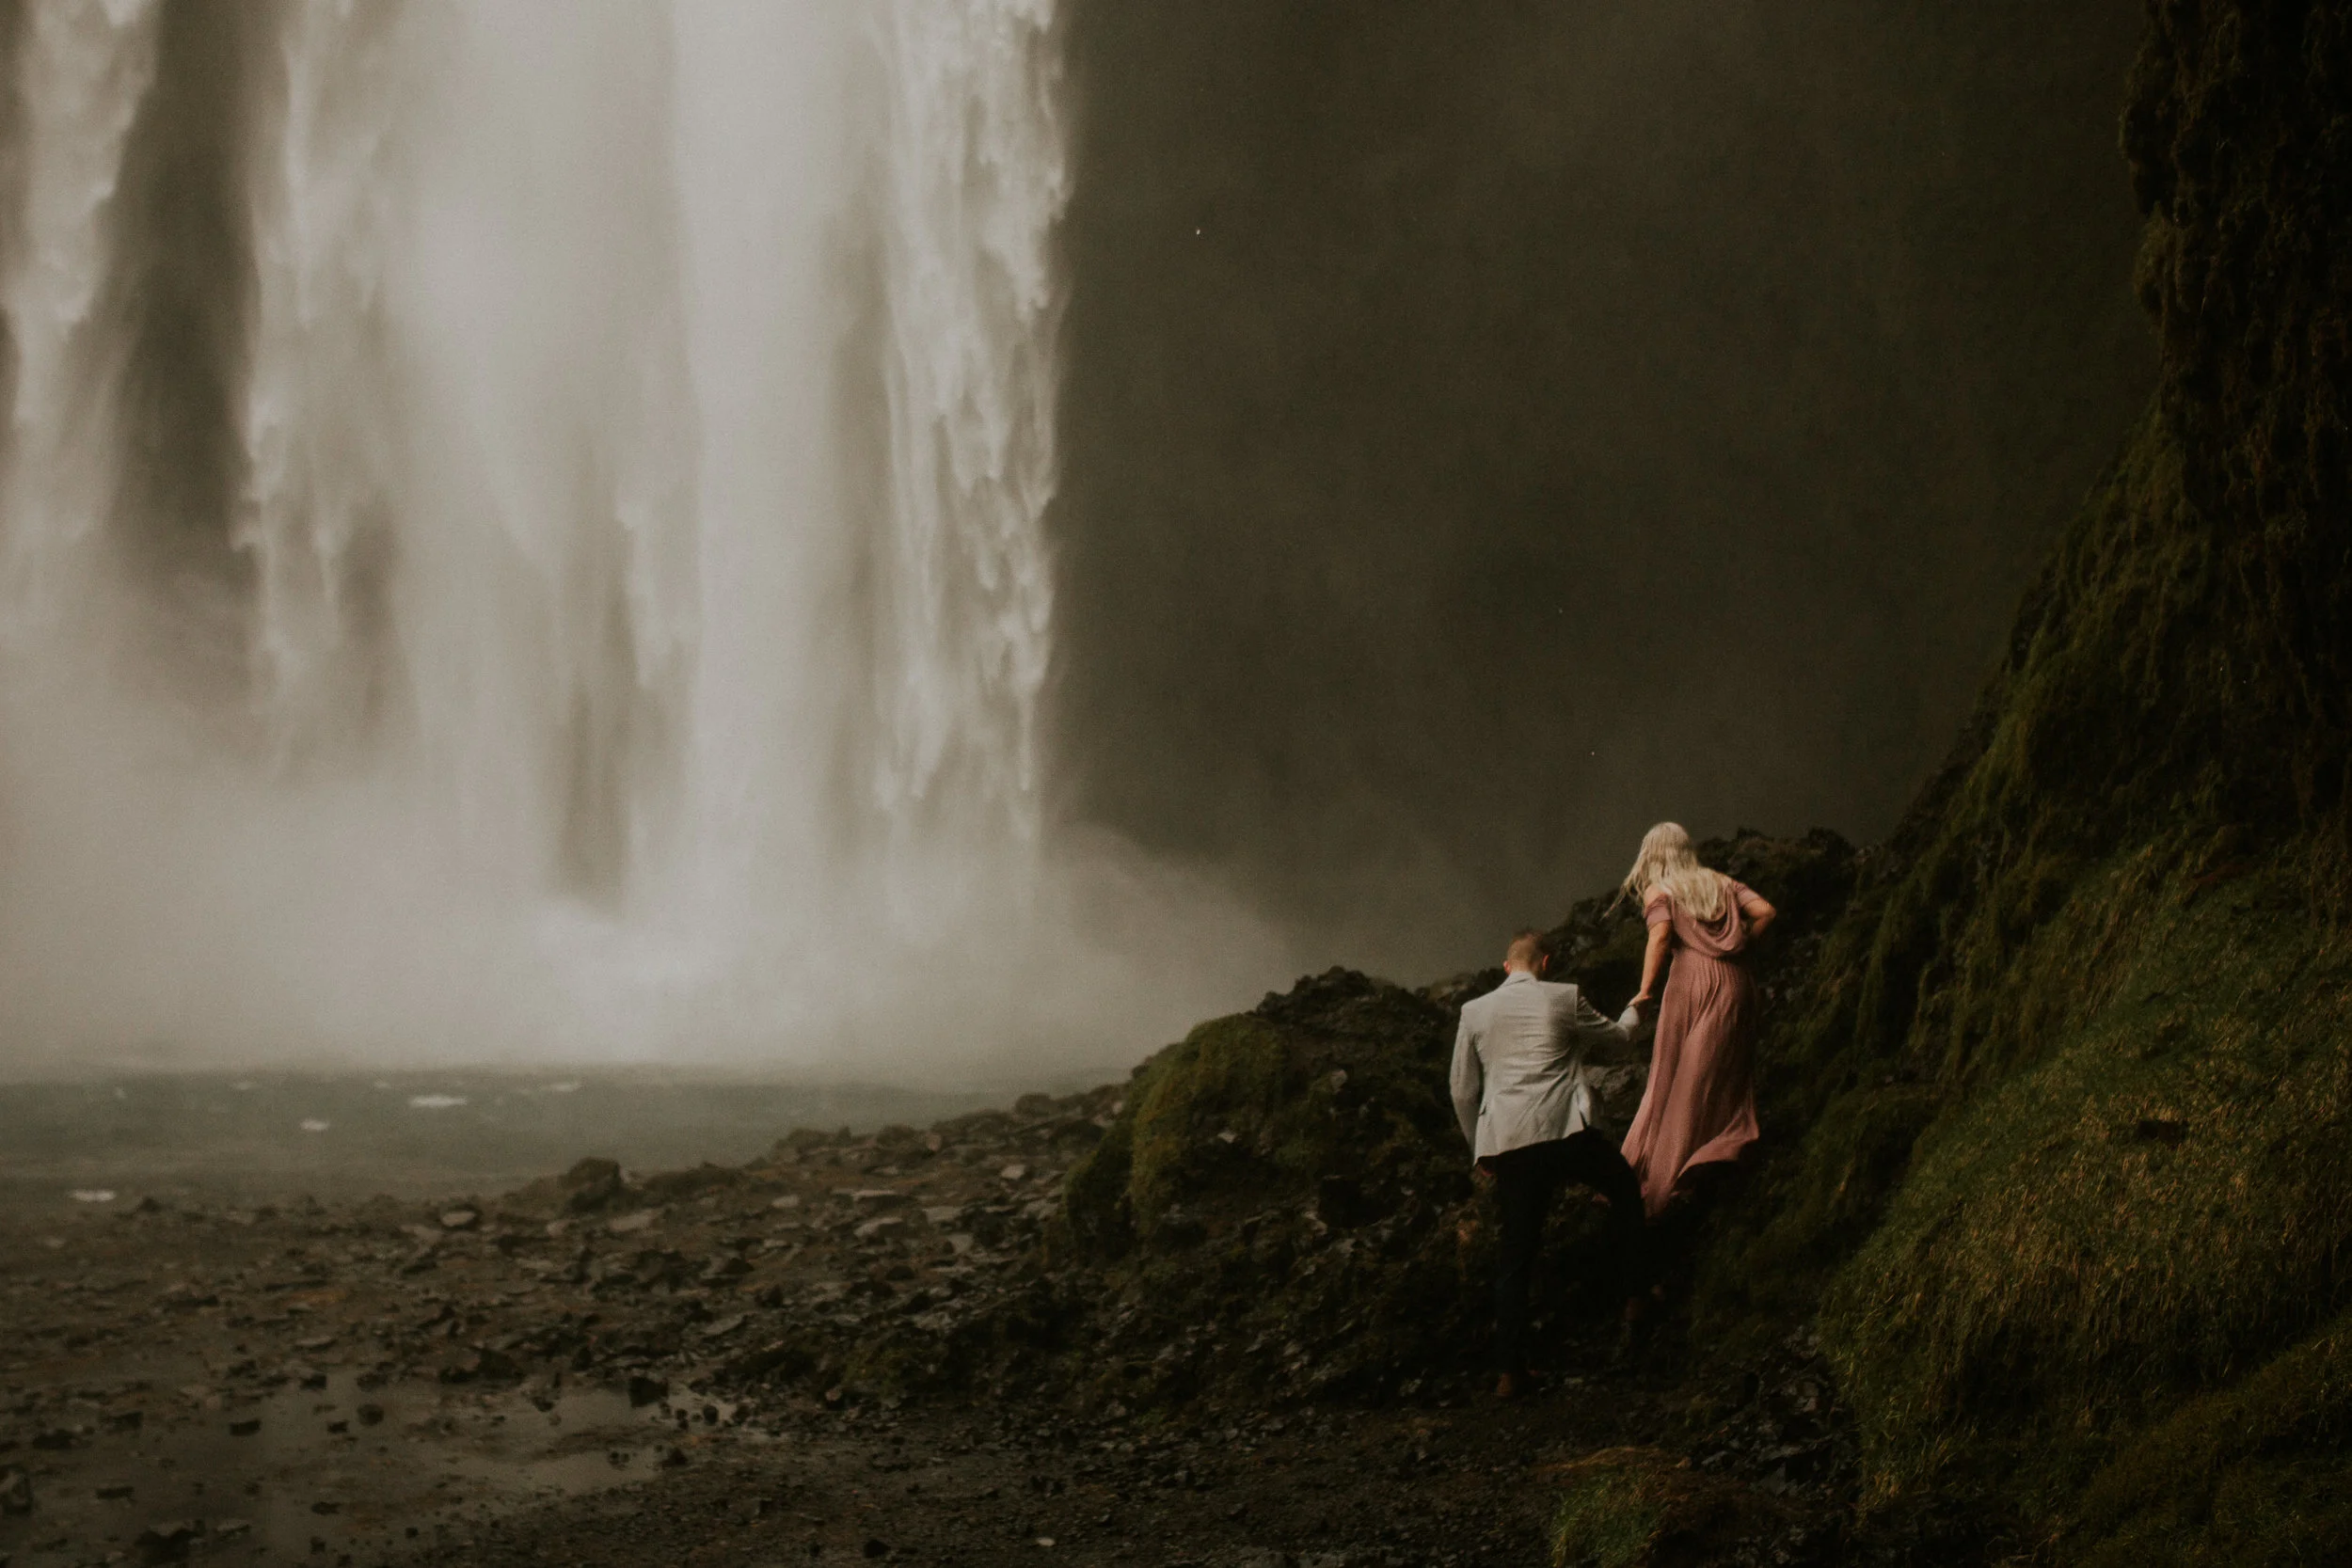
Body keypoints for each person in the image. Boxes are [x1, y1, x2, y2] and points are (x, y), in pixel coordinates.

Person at [1451, 927, 1652, 1399]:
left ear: (1507, 967)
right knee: (1624, 1190)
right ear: (1546, 964)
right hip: (1566, 1131)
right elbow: (1620, 1040)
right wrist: (1635, 1007)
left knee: (1516, 1256)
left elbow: (1462, 1090)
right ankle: (1637, 1296)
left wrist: (1480, 1148)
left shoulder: (1474, 1012)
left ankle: (1509, 1371)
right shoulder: (1564, 997)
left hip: (1512, 1145)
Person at [1616, 823, 1775, 1223]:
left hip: (1690, 985)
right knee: (1723, 1075)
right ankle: (1711, 1157)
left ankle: (1665, 1190)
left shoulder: (1661, 890)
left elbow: (1660, 937)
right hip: (1736, 982)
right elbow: (1766, 912)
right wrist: (1742, 945)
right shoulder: (1720, 882)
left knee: (1679, 1079)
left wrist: (1644, 990)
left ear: (1653, 855)